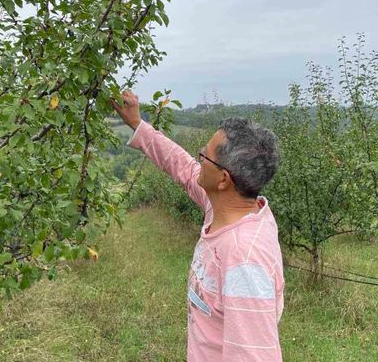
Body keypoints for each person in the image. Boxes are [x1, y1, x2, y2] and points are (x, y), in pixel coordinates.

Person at [111, 90, 284, 361]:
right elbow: (181, 166)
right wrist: (139, 125)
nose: (199, 157)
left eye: (206, 156)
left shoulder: (245, 262)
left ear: (224, 180)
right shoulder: (225, 206)